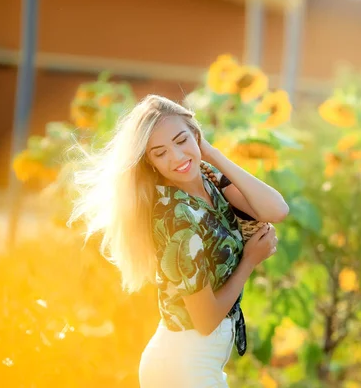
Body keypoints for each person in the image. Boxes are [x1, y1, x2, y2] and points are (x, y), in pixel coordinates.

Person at [69, 94, 289, 387]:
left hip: (197, 361)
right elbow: (206, 319)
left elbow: (277, 210)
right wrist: (250, 260)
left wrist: (209, 153)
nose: (176, 157)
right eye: (160, 153)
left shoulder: (209, 180)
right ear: (151, 163)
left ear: (196, 135)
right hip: (182, 366)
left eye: (181, 140)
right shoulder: (176, 217)